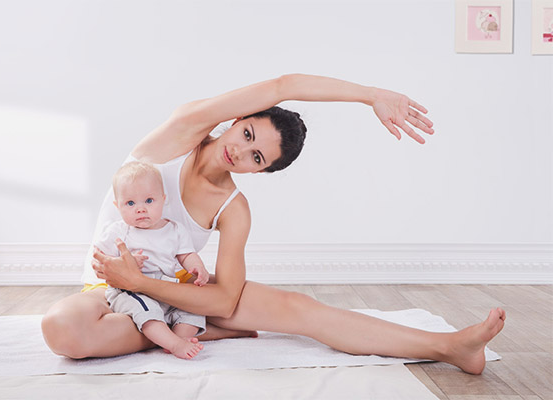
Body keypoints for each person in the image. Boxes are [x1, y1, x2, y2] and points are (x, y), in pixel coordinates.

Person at [42, 73, 505, 375]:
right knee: (62, 330)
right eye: (246, 134)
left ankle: (449, 346)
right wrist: (371, 95)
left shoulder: (233, 209)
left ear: (260, 171)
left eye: (256, 157)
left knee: (299, 309)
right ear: (237, 119)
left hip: (174, 290)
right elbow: (283, 84)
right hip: (109, 289)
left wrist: (145, 283)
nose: (239, 152)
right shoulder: (179, 135)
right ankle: (197, 330)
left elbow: (224, 297)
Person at [96, 161, 208, 359]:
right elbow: (101, 258)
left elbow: (186, 255)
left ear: (163, 200)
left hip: (165, 288)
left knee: (194, 309)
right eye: (130, 203)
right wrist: (126, 262)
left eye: (149, 201)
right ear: (118, 206)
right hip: (129, 291)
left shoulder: (174, 229)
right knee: (147, 311)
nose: (140, 209)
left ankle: (179, 337)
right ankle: (174, 344)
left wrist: (197, 267)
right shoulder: (119, 231)